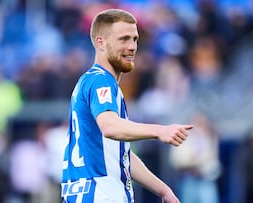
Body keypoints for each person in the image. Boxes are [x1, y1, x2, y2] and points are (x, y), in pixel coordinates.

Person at [61, 8, 193, 203]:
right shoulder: (100, 81)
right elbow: (110, 127)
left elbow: (121, 155)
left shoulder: (93, 81)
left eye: (135, 39)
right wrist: (159, 131)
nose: (132, 46)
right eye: (123, 39)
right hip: (100, 195)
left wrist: (163, 190)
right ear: (101, 42)